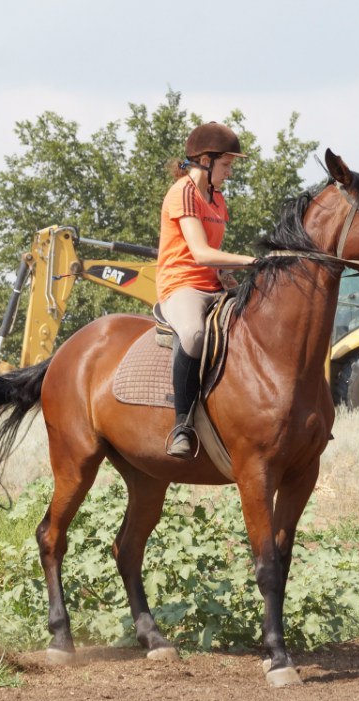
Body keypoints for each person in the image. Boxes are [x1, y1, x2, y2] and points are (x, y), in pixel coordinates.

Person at [155, 122, 256, 458]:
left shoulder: (218, 200)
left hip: (212, 285)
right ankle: (182, 426)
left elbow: (216, 260)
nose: (229, 173)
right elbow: (200, 253)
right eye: (226, 165)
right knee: (195, 335)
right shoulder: (182, 192)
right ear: (205, 160)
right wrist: (253, 261)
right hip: (182, 285)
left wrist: (235, 279)